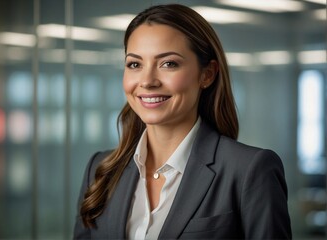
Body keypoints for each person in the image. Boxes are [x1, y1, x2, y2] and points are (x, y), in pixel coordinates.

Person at [73, 4, 292, 239]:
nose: (147, 81)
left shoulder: (249, 170)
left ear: (207, 74)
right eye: (135, 64)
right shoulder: (101, 169)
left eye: (169, 63)